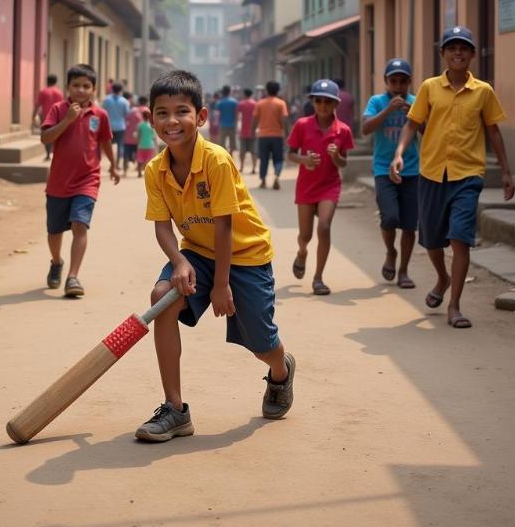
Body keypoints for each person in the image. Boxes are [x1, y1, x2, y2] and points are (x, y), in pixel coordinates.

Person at [134, 70, 295, 442]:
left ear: (201, 117)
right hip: (198, 253)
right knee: (162, 299)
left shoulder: (216, 160)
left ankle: (281, 372)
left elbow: (224, 227)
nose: (171, 121)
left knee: (260, 344)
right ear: (151, 117)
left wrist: (221, 285)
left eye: (181, 112)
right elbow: (162, 227)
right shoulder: (155, 170)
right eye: (162, 113)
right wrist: (179, 261)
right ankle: (175, 410)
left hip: (246, 255)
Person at [391, 26, 515, 329]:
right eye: (452, 48)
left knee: (460, 239)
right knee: (432, 241)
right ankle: (442, 278)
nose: (458, 52)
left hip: (468, 174)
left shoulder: (483, 91)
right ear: (443, 54)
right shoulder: (430, 88)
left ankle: (455, 306)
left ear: (472, 54)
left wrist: (507, 172)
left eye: (464, 48)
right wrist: (399, 153)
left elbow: (493, 131)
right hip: (432, 172)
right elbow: (412, 124)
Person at [41, 63, 120, 298]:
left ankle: (73, 276)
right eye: (76, 85)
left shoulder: (100, 115)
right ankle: (57, 262)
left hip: (87, 180)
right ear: (68, 87)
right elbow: (45, 137)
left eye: (86, 86)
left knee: (79, 225)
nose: (81, 90)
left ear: (94, 89)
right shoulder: (57, 109)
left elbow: (105, 141)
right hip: (58, 182)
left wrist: (113, 166)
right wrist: (67, 120)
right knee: (54, 232)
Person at [286, 79, 354, 295]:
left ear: (336, 104)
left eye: (327, 102)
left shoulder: (343, 130)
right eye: (318, 101)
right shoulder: (303, 125)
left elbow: (344, 162)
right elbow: (290, 154)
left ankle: (318, 278)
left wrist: (335, 157)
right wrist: (304, 160)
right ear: (313, 102)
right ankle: (302, 251)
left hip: (329, 186)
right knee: (305, 235)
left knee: (324, 227)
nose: (323, 106)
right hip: (306, 187)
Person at [362, 59, 420, 290]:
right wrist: (388, 110)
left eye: (403, 82)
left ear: (409, 83)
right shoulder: (377, 101)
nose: (398, 86)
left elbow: (428, 129)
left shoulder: (416, 101)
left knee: (408, 225)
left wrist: (414, 115)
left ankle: (404, 270)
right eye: (393, 81)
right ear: (386, 82)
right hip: (382, 169)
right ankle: (390, 252)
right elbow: (365, 129)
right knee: (389, 218)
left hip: (412, 169)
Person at [253, 80, 289, 189]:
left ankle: (263, 180)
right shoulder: (281, 103)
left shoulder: (260, 103)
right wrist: (287, 133)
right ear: (278, 90)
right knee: (278, 158)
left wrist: (253, 130)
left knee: (263, 159)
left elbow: (255, 119)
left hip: (263, 135)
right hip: (277, 135)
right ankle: (277, 177)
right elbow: (284, 119)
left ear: (266, 90)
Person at [33, 74, 64, 161]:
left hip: (46, 117)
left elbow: (37, 105)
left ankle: (48, 154)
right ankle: (55, 153)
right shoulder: (59, 92)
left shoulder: (43, 92)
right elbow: (62, 105)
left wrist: (33, 116)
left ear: (47, 81)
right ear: (56, 81)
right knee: (57, 135)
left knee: (46, 135)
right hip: (57, 116)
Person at [102, 82, 130, 170]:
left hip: (108, 126)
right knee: (120, 145)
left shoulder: (106, 100)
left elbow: (103, 111)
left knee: (108, 145)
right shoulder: (124, 101)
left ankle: (111, 164)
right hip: (121, 126)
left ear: (112, 89)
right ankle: (116, 164)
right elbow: (127, 114)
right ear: (121, 90)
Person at [123, 95, 147, 177]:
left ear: (139, 102)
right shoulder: (148, 111)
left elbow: (126, 120)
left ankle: (125, 171)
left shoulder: (133, 111)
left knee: (126, 154)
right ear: (146, 102)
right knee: (140, 155)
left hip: (129, 136)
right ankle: (139, 170)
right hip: (142, 139)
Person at [237, 88, 257, 174]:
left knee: (242, 152)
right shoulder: (255, 104)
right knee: (254, 152)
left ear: (244, 94)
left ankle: (241, 167)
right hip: (253, 131)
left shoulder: (241, 104)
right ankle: (254, 168)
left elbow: (238, 117)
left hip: (243, 131)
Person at [215, 85, 238, 154]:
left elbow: (217, 115)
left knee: (222, 143)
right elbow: (236, 115)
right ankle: (230, 156)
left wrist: (216, 123)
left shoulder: (220, 102)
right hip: (232, 125)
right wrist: (236, 124)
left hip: (222, 125)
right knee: (232, 143)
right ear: (229, 92)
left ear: (223, 92)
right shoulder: (234, 102)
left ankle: (224, 156)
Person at [135, 107, 157, 177]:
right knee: (149, 161)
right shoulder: (152, 126)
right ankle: (148, 174)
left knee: (139, 160)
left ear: (142, 116)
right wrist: (156, 146)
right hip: (150, 145)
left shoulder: (140, 125)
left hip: (141, 145)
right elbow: (154, 137)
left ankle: (139, 173)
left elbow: (138, 135)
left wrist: (137, 143)